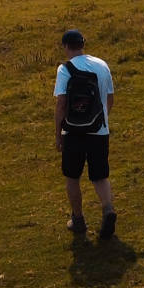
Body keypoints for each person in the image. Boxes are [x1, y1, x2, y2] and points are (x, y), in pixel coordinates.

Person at [54, 29, 117, 238]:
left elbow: (61, 103)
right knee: (100, 175)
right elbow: (110, 98)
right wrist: (100, 120)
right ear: (83, 43)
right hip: (99, 130)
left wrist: (57, 134)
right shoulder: (102, 65)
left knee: (72, 177)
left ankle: (78, 220)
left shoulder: (65, 69)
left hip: (73, 132)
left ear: (66, 46)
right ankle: (108, 209)